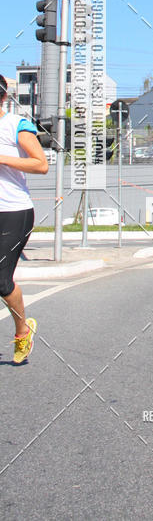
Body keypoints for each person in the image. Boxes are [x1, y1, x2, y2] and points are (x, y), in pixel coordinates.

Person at [0, 74, 49, 363]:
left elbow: (41, 164)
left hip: (13, 212)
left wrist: (2, 157)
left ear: (3, 98)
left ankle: (22, 331)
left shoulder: (15, 125)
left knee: (1, 280)